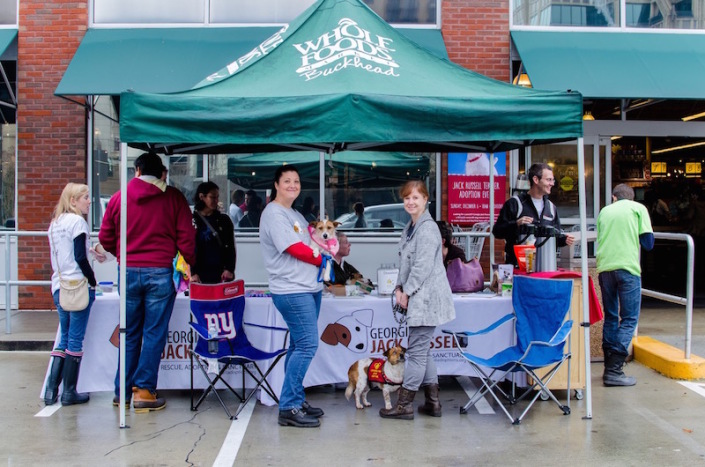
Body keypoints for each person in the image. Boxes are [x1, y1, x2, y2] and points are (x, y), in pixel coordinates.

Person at [99, 152, 196, 412]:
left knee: (129, 332)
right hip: (161, 271)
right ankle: (144, 391)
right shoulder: (174, 198)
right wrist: (186, 262)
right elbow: (187, 238)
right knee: (154, 333)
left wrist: (122, 253)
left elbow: (106, 236)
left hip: (127, 270)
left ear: (137, 170)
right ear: (162, 171)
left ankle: (122, 391)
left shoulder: (120, 197)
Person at [380, 180, 455, 420]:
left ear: (426, 200)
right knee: (423, 350)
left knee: (417, 352)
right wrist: (400, 287)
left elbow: (421, 267)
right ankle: (433, 403)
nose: (410, 202)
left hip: (426, 300)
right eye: (406, 198)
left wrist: (406, 291)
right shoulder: (411, 227)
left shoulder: (428, 229)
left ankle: (404, 406)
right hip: (417, 298)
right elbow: (407, 264)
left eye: (416, 197)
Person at [259, 165, 326, 428]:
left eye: (296, 181)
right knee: (308, 345)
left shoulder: (294, 213)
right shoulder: (274, 213)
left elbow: (312, 241)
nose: (292, 185)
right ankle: (288, 406)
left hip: (308, 287)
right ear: (276, 184)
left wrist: (328, 247)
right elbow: (293, 248)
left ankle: (295, 398)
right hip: (291, 289)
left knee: (299, 345)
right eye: (286, 181)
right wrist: (321, 257)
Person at [45, 183, 104, 406]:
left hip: (59, 285)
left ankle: (51, 390)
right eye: (85, 197)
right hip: (78, 286)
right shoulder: (78, 222)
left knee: (64, 337)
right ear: (73, 201)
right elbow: (79, 257)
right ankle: (69, 391)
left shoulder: (55, 223)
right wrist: (93, 281)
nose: (89, 201)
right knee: (75, 339)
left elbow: (67, 253)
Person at [596, 183, 654, 387]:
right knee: (629, 319)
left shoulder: (604, 211)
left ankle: (608, 367)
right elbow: (648, 243)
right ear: (631, 198)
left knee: (611, 317)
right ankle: (614, 370)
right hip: (627, 269)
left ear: (613, 197)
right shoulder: (638, 209)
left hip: (605, 268)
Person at [492, 163, 574, 266]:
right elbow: (497, 231)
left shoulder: (551, 207)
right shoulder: (515, 203)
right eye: (548, 180)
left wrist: (564, 239)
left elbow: (555, 238)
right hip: (518, 269)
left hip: (545, 267)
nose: (552, 183)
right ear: (536, 180)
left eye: (552, 180)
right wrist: (516, 224)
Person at [192, 182, 236, 284]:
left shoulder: (224, 220)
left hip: (220, 273)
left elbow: (230, 246)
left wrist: (229, 269)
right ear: (202, 196)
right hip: (198, 273)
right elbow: (188, 247)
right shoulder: (192, 220)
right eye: (212, 197)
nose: (216, 201)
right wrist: (192, 271)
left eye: (217, 197)